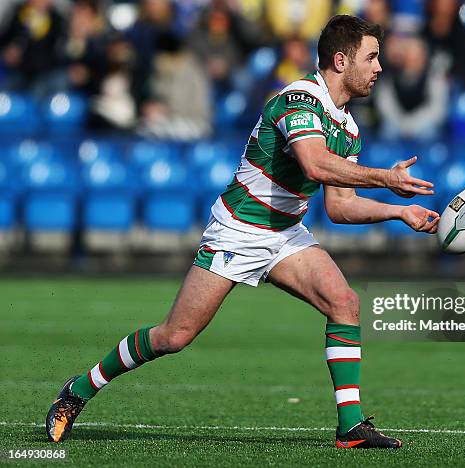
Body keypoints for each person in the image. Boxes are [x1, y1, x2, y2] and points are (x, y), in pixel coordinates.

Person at [45, 15, 439, 449]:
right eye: (372, 57)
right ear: (341, 61)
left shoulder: (347, 126)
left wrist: (399, 213)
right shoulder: (298, 102)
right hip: (238, 230)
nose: (380, 67)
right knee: (173, 336)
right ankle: (79, 389)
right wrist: (386, 177)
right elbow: (313, 163)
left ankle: (351, 426)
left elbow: (340, 207)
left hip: (285, 234)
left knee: (344, 302)